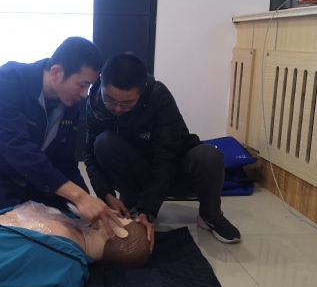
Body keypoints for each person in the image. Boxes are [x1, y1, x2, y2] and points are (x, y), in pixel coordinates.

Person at [0, 37, 126, 238]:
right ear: (56, 72)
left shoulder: (69, 106)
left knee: (69, 219)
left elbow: (65, 163)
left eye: (90, 86)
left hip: (29, 174)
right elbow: (16, 148)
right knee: (20, 231)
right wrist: (79, 197)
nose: (85, 94)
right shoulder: (4, 82)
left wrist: (85, 200)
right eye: (82, 84)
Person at [84, 52, 242, 246]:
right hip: (137, 172)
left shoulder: (159, 97)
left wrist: (148, 210)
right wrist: (106, 194)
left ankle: (210, 215)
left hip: (175, 172)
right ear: (101, 81)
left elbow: (166, 158)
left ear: (142, 89)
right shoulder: (95, 103)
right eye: (110, 100)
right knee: (103, 142)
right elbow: (90, 156)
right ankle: (132, 205)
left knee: (209, 156)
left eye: (127, 103)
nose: (117, 108)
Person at [0, 202, 151, 268]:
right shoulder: (68, 239)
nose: (116, 215)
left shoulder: (61, 234)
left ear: (120, 232)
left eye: (123, 219)